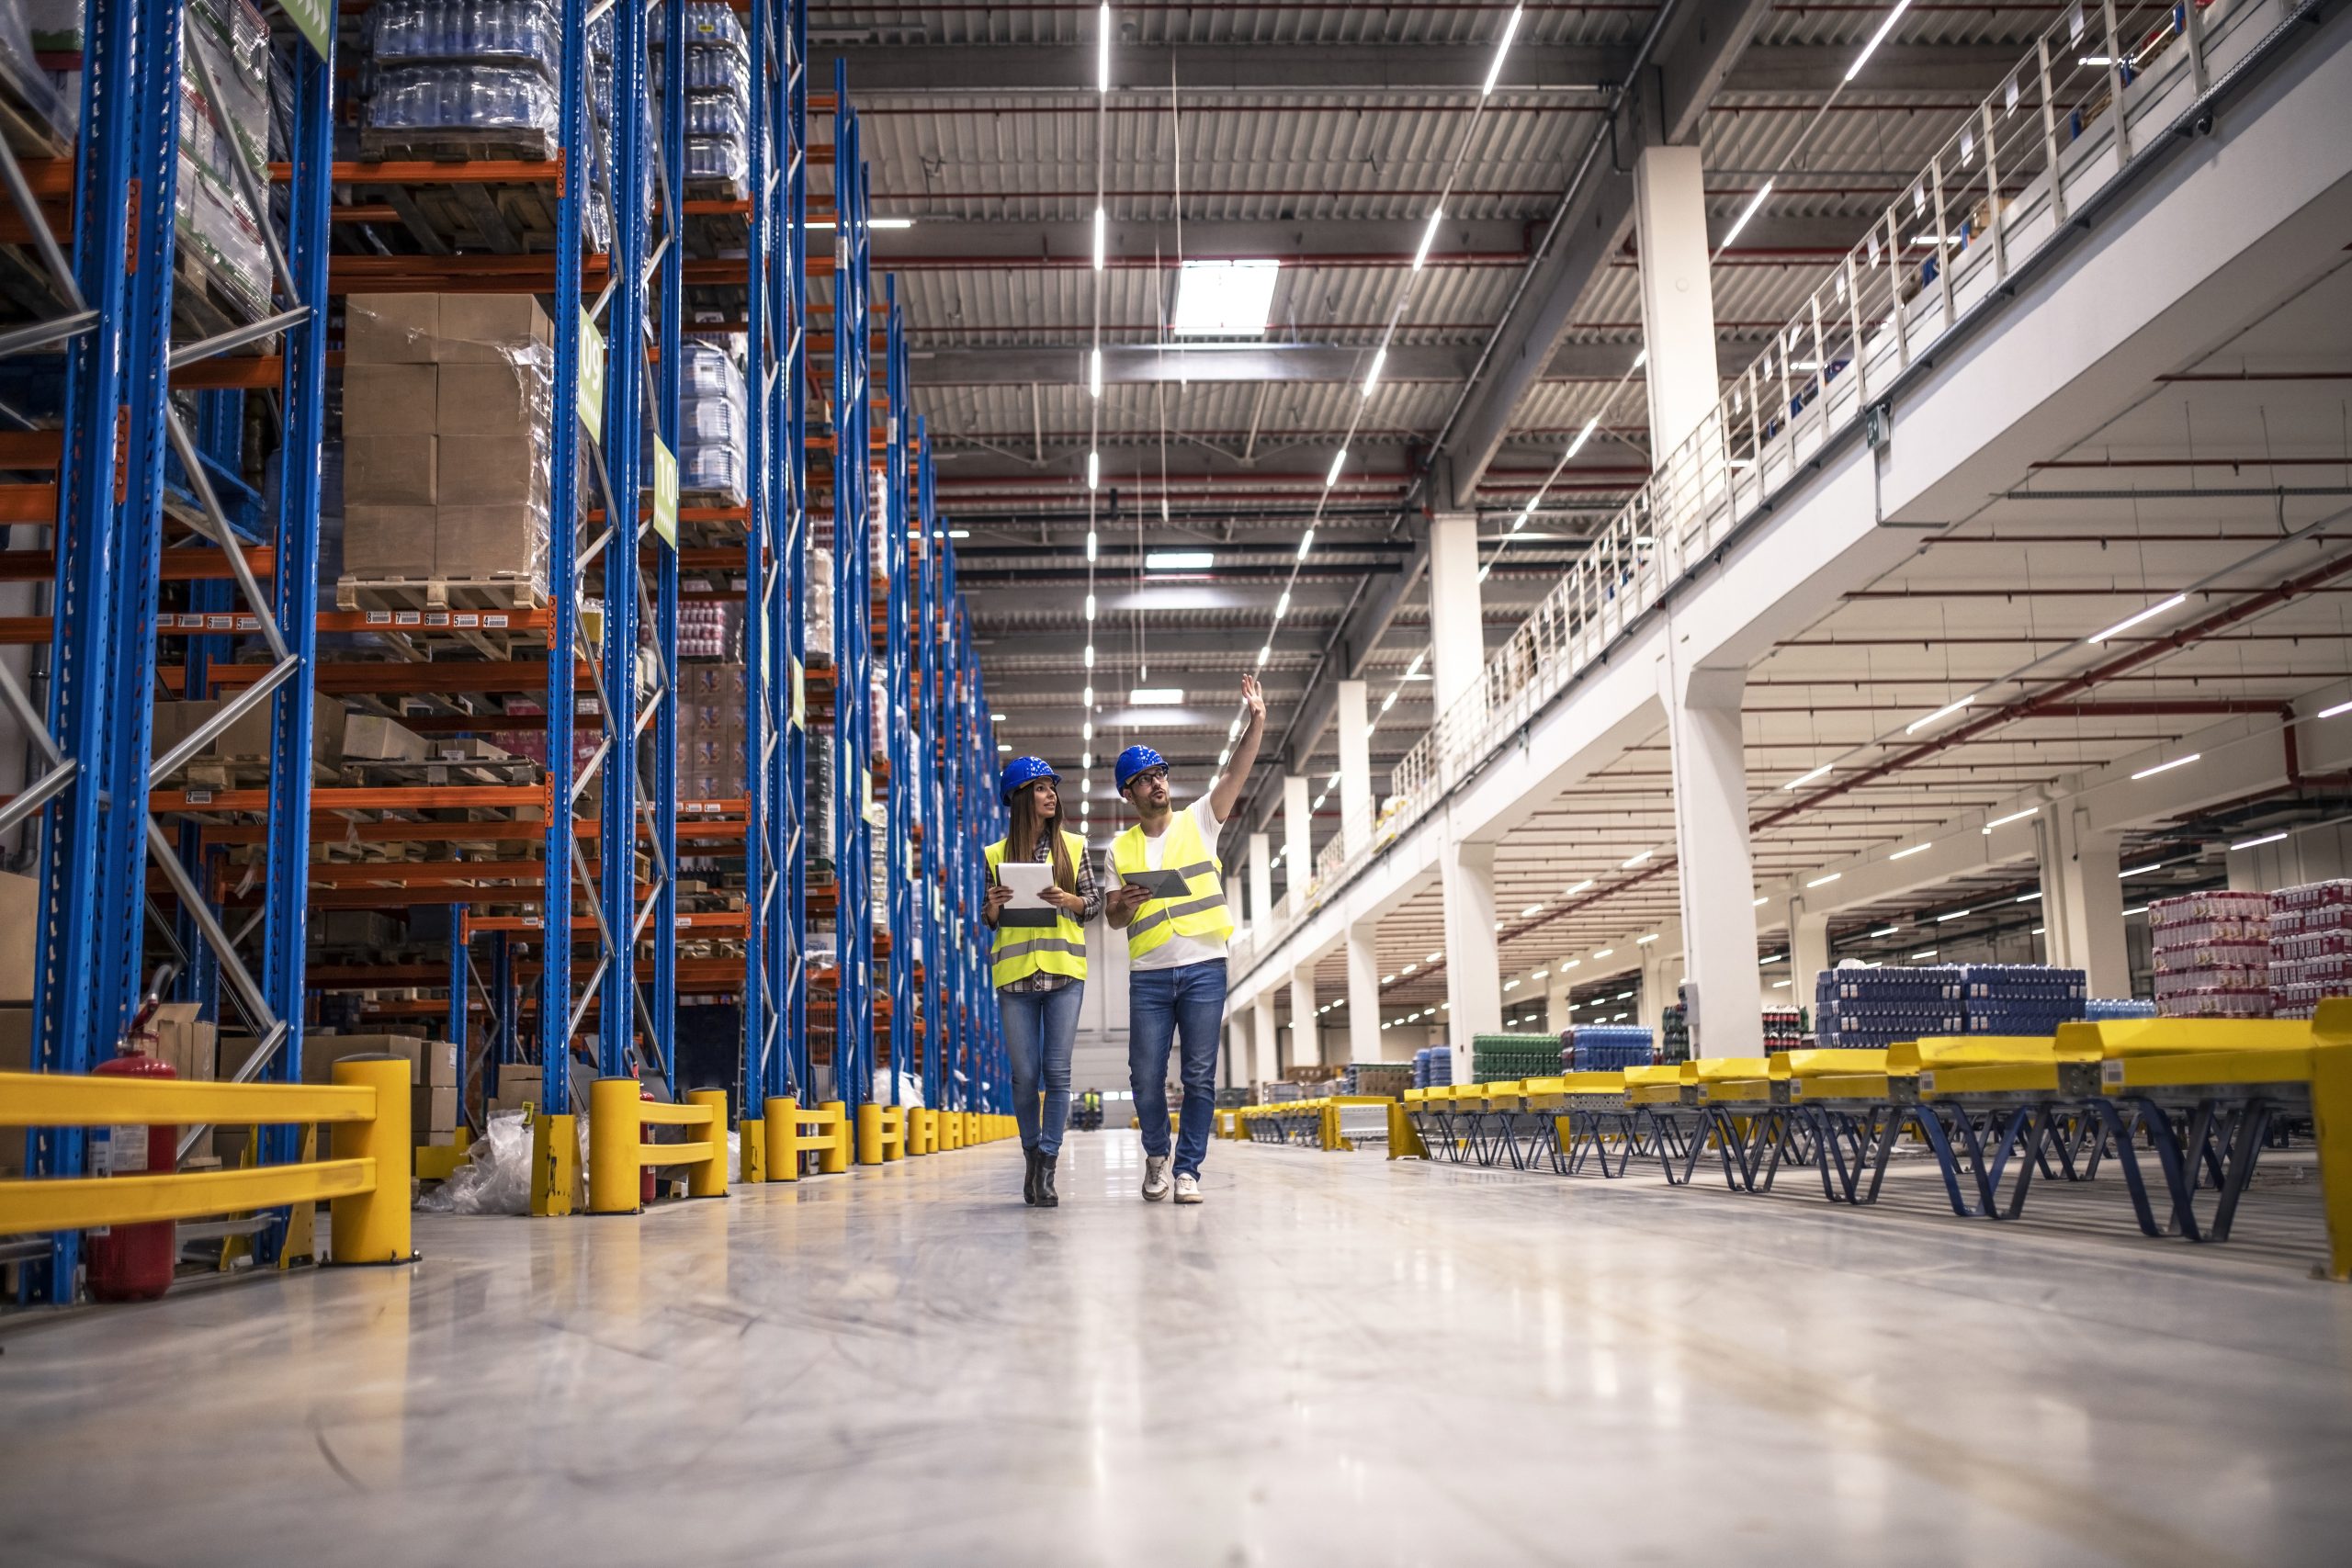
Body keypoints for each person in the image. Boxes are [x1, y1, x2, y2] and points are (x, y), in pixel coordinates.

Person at [1104, 673, 1265, 1204]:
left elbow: (1236, 773)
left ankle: (1188, 1170)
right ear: (1129, 792)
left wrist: (1255, 721)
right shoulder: (1118, 850)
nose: (1157, 783)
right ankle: (1156, 1154)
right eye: (1145, 779)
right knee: (1145, 1076)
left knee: (1199, 1076)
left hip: (1203, 966)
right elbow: (1111, 918)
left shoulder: (1200, 820)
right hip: (1149, 975)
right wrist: (1121, 905)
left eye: (1160, 774)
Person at [982, 756, 1099, 1208]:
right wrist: (993, 904)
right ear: (1018, 799)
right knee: (1024, 1075)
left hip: (1064, 973)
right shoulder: (995, 854)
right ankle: (1031, 1156)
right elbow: (989, 919)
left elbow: (1092, 905)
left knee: (1057, 1073)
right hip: (1015, 978)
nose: (1051, 794)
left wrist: (1067, 898)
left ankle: (1047, 1165)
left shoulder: (1074, 845)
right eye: (1041, 788)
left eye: (1053, 787)